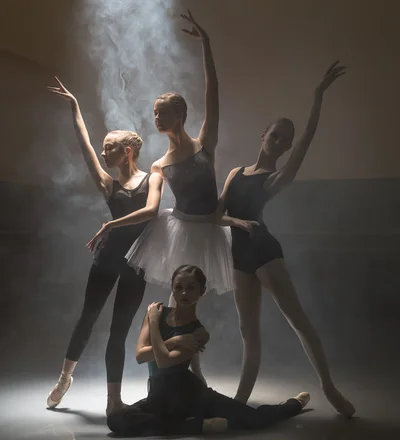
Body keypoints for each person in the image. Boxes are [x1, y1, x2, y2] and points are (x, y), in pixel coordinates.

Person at [219, 62, 355, 418]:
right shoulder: (235, 172)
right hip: (239, 253)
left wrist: (317, 97)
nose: (278, 141)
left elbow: (305, 145)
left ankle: (328, 386)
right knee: (248, 332)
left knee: (298, 321)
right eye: (275, 134)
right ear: (263, 134)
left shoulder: (274, 178)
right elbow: (217, 215)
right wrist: (233, 220)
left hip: (264, 252)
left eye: (284, 139)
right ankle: (239, 402)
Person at [46, 77, 163, 415]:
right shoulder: (107, 183)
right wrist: (75, 107)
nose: (102, 151)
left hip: (135, 265)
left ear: (128, 150)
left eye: (109, 146)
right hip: (107, 259)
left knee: (118, 331)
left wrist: (110, 224)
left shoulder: (153, 177)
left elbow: (152, 211)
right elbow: (84, 146)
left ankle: (113, 399)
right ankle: (65, 377)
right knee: (87, 318)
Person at [125, 10, 256, 296]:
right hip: (179, 229)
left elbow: (213, 92)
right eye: (154, 113)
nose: (156, 118)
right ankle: (166, 336)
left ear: (180, 114)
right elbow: (151, 208)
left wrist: (205, 45)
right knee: (179, 291)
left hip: (209, 228)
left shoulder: (205, 143)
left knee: (199, 294)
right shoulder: (159, 165)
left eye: (163, 113)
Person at [107, 264, 310, 437]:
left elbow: (164, 362)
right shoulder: (156, 314)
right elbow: (140, 356)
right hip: (158, 397)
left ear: (201, 291)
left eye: (191, 288)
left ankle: (293, 404)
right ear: (172, 289)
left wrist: (155, 327)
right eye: (179, 287)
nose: (184, 293)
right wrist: (174, 339)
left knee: (254, 419)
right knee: (115, 420)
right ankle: (195, 426)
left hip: (191, 395)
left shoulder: (199, 333)